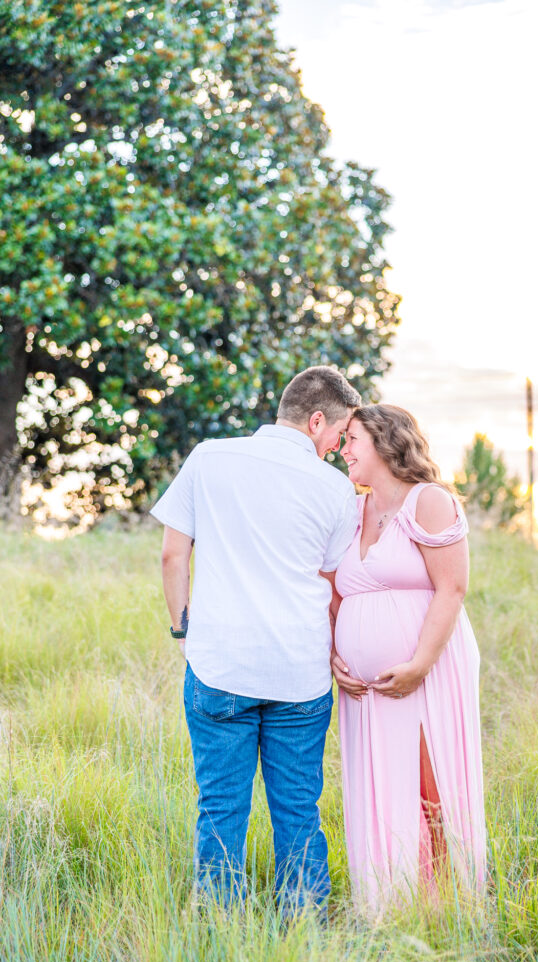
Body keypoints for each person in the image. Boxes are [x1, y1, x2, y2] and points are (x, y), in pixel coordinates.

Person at [150, 366, 362, 918]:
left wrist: (183, 631)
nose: (338, 449)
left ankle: (221, 935)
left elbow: (174, 555)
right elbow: (333, 583)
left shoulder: (209, 457)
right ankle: (304, 937)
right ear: (317, 421)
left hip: (220, 665)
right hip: (300, 672)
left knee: (220, 808)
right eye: (338, 436)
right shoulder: (336, 489)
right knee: (297, 808)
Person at [329, 404, 486, 916]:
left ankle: (450, 908)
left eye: (352, 438)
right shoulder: (351, 512)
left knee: (428, 785)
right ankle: (390, 904)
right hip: (365, 689)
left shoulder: (429, 502)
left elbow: (453, 588)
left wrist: (419, 663)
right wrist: (335, 654)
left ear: (384, 440)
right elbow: (332, 594)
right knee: (379, 787)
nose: (343, 448)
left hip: (427, 672)